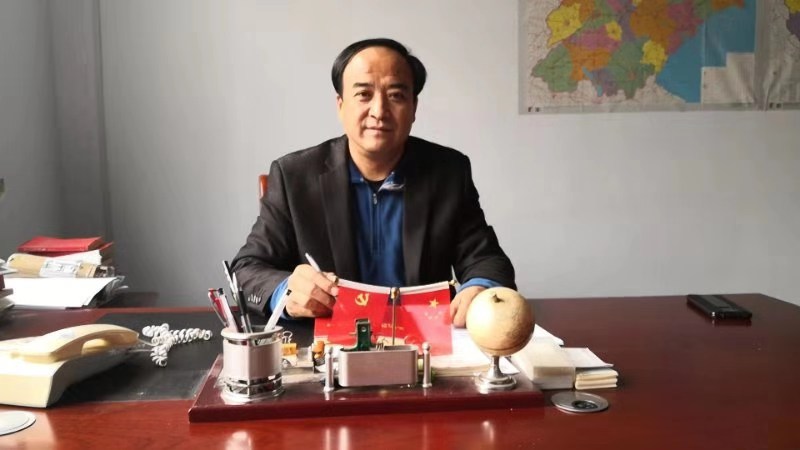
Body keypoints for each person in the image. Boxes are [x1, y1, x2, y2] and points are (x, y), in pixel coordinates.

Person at [231, 38, 515, 328]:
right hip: (329, 344)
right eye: (364, 95)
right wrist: (287, 292)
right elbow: (246, 270)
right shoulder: (294, 177)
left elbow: (486, 259)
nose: (379, 111)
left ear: (414, 107)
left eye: (396, 95)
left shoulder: (448, 172)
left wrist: (478, 287)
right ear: (341, 105)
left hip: (424, 339)